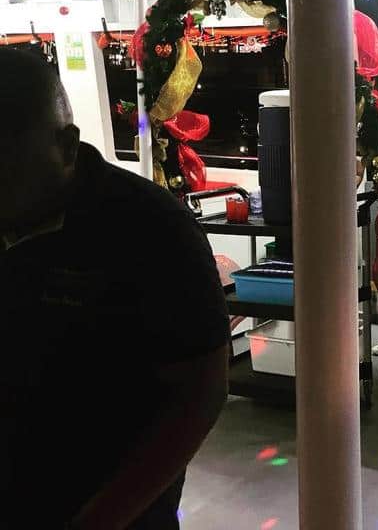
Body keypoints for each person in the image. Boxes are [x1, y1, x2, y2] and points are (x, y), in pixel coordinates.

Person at [0, 48, 230, 529]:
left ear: (67, 147)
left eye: (9, 165)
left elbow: (200, 390)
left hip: (111, 509)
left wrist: (101, 519)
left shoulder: (150, 228)